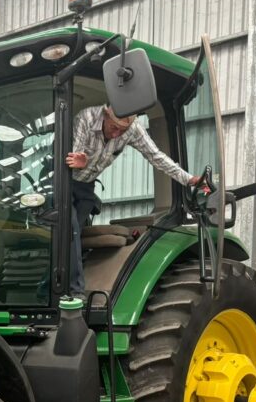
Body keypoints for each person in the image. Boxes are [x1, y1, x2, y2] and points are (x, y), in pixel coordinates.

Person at [65, 105, 203, 297]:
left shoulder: (133, 129)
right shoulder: (85, 117)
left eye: (122, 131)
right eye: (114, 127)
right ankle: (76, 293)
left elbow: (156, 156)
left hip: (86, 188)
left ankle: (55, 284)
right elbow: (74, 156)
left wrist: (188, 179)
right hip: (65, 182)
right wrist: (82, 162)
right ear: (105, 115)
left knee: (73, 236)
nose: (116, 134)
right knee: (69, 231)